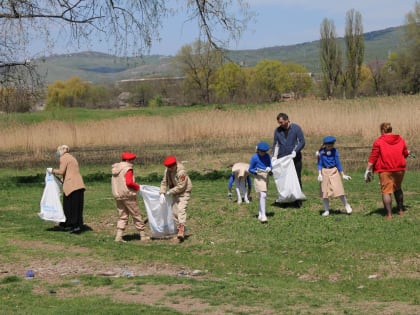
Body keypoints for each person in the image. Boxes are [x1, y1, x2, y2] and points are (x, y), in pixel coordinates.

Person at [365, 122, 410, 219]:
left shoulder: (378, 141)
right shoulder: (401, 140)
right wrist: (407, 152)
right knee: (398, 188)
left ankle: (389, 214)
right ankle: (400, 210)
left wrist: (367, 169)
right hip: (399, 169)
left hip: (385, 170)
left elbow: (373, 157)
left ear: (382, 131)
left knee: (386, 191)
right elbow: (405, 154)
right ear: (390, 130)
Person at [48, 145, 85, 234]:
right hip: (79, 184)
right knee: (77, 207)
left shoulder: (64, 158)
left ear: (62, 150)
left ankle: (74, 226)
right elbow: (71, 172)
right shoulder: (72, 158)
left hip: (71, 186)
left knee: (70, 207)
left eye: (58, 151)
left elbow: (61, 171)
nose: (57, 153)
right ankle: (67, 224)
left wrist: (52, 170)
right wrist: (62, 180)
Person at [111, 152, 148, 242]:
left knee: (122, 216)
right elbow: (129, 183)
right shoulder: (128, 169)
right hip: (128, 195)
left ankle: (118, 237)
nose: (133, 162)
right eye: (132, 160)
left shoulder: (116, 168)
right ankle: (142, 235)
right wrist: (138, 187)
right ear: (127, 160)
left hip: (118, 195)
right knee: (136, 214)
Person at [272, 112, 305, 207]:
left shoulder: (296, 128)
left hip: (295, 158)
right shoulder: (277, 131)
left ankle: (298, 199)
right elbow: (276, 144)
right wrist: (274, 156)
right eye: (279, 123)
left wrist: (295, 151)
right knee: (284, 180)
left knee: (296, 178)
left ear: (287, 120)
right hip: (283, 159)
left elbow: (302, 141)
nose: (280, 124)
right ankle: (285, 199)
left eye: (282, 122)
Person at [317, 136, 353, 217]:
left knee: (339, 190)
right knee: (324, 192)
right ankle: (326, 210)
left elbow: (338, 163)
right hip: (324, 171)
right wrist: (319, 174)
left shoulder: (335, 151)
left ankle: (347, 205)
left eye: (331, 145)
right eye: (328, 146)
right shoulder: (321, 152)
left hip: (333, 171)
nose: (329, 147)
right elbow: (319, 164)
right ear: (325, 145)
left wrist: (343, 174)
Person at [159, 156, 192, 242]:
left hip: (184, 192)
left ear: (175, 165)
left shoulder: (181, 172)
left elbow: (181, 186)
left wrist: (170, 192)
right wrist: (162, 192)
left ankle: (181, 230)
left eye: (171, 167)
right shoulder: (167, 171)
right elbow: (164, 182)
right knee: (174, 213)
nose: (170, 169)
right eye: (168, 167)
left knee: (181, 210)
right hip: (175, 192)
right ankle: (180, 230)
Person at [249, 142, 272, 223]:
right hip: (258, 176)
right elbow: (250, 169)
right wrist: (255, 172)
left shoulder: (267, 156)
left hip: (266, 176)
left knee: (262, 195)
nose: (263, 153)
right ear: (257, 150)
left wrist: (270, 169)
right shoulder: (254, 157)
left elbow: (270, 164)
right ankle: (263, 215)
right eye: (261, 151)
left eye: (264, 152)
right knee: (263, 194)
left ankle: (260, 213)